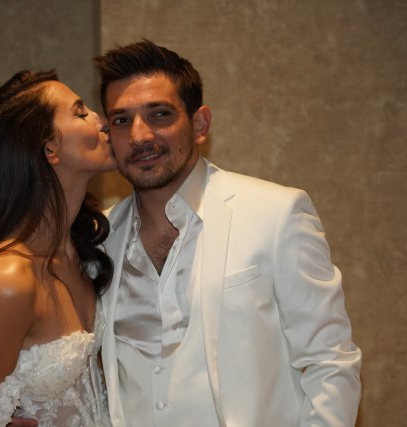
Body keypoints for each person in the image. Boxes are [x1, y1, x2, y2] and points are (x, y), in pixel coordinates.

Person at [93, 40, 362, 426]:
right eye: (121, 120)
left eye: (159, 114)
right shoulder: (99, 239)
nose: (139, 136)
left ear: (199, 124)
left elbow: (330, 362)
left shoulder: (276, 213)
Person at [0, 69, 115, 427]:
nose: (102, 120)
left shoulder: (82, 254)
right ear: (49, 148)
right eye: (81, 113)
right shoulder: (8, 277)